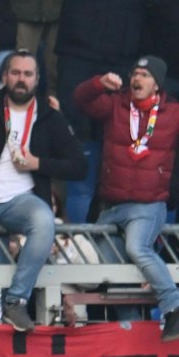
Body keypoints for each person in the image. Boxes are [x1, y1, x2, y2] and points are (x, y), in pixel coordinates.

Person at [0, 51, 87, 332]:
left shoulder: (48, 115)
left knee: (44, 221)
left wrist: (38, 163)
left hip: (22, 204)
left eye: (27, 74)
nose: (21, 79)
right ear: (4, 76)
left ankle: (17, 301)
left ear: (37, 80)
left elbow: (80, 166)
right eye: (16, 73)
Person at [74, 58, 179, 340]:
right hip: (111, 207)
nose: (137, 79)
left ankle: (174, 306)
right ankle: (131, 329)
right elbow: (80, 99)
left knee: (137, 248)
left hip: (148, 206)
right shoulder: (116, 105)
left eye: (144, 75)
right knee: (113, 270)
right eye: (135, 73)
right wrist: (98, 83)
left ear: (157, 83)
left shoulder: (174, 113)